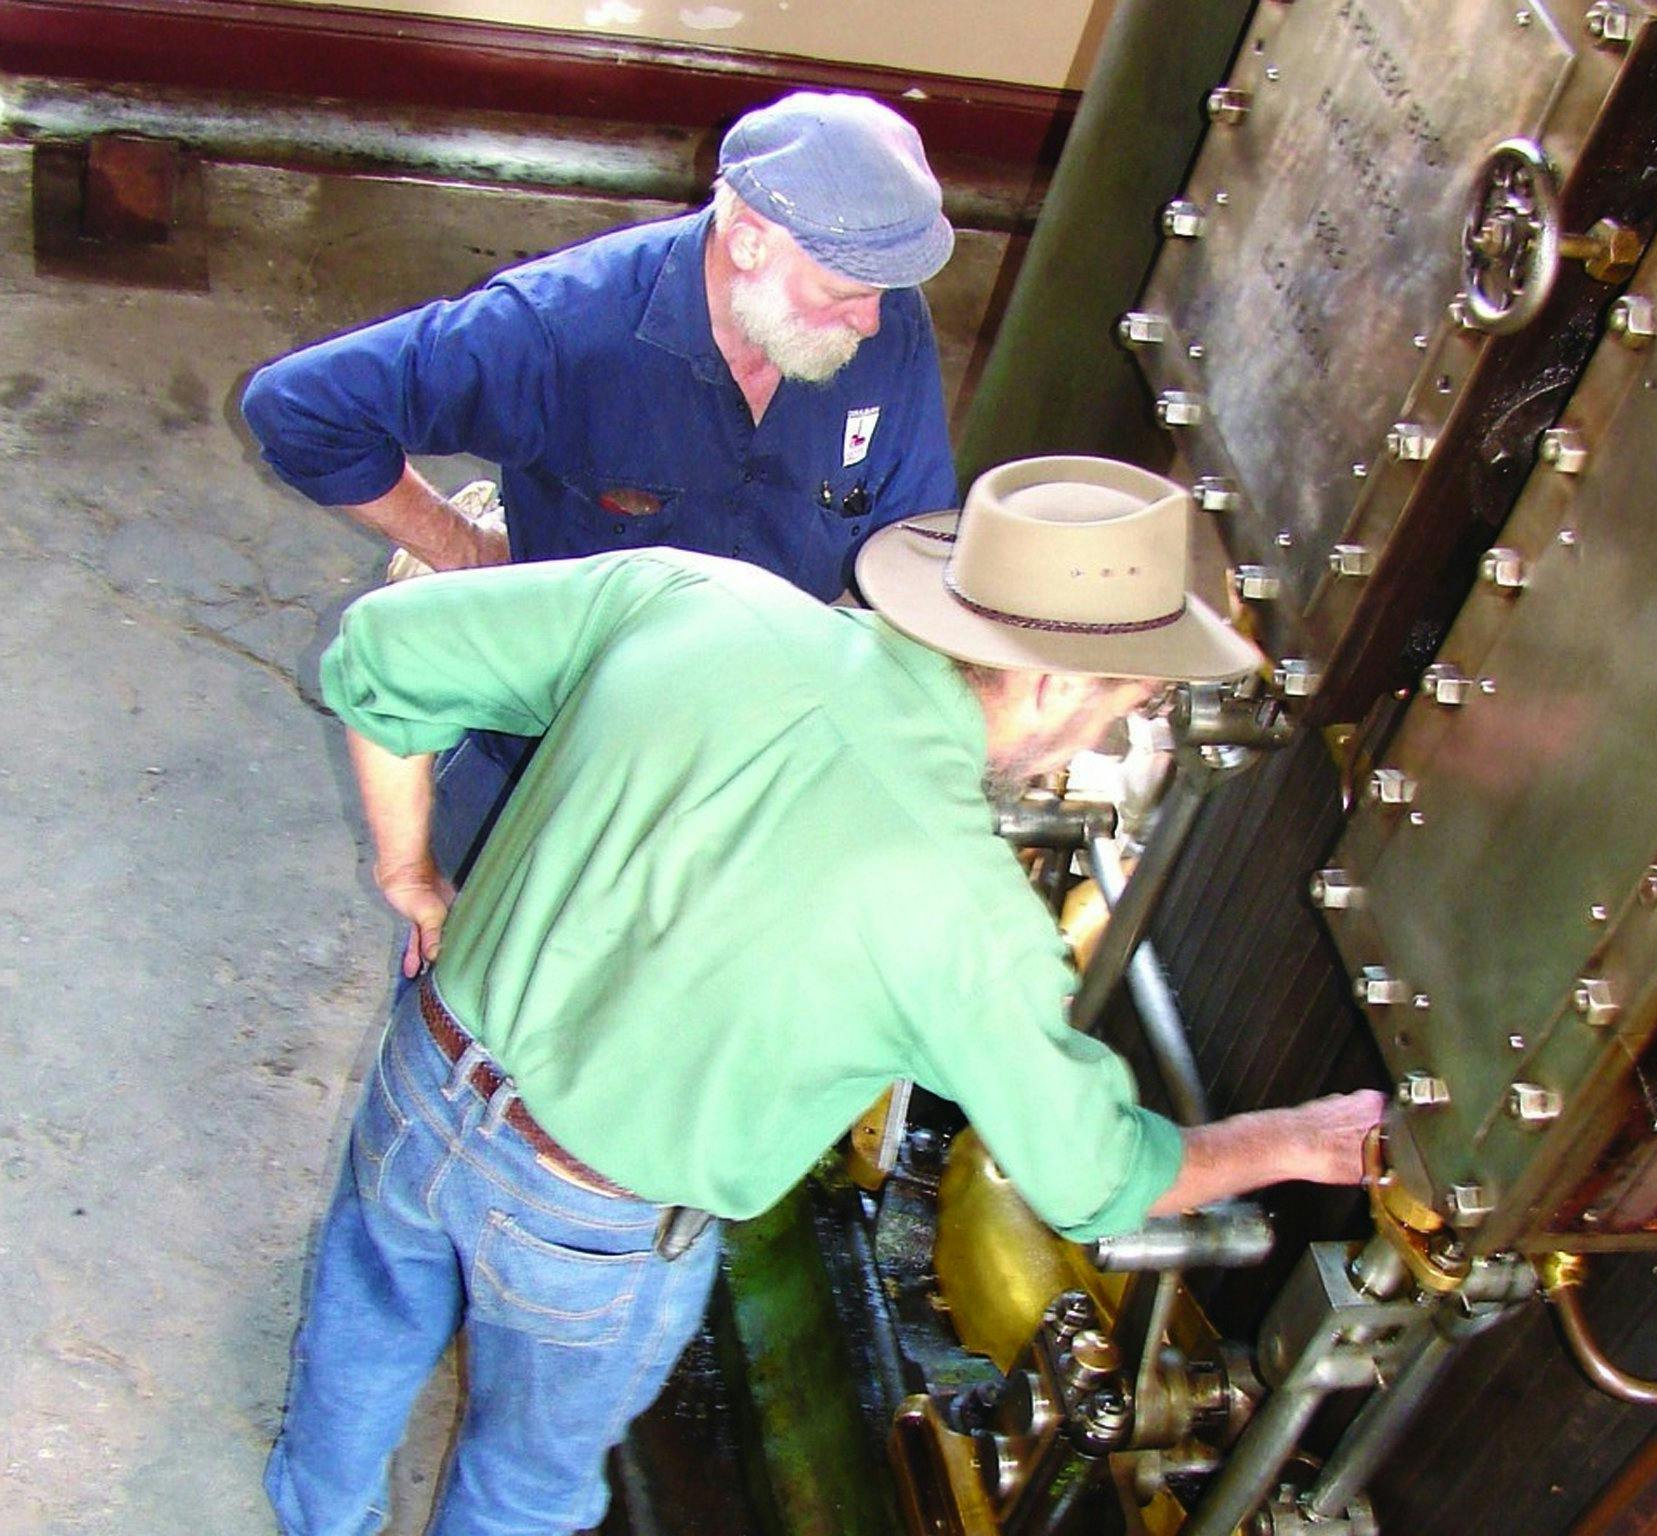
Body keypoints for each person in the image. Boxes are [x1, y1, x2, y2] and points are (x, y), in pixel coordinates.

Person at [270, 455, 1389, 1535]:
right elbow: (1096, 1179)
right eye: (1121, 708)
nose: (1100, 738)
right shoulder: (968, 918)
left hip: (427, 1073)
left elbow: (383, 652)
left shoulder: (697, 595)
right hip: (590, 1221)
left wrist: (411, 876)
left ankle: (314, 1518)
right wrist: (1296, 1139)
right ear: (1051, 684)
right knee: (525, 1486)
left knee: (365, 1321)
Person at [241, 88, 959, 880]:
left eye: (885, 293)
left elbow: (911, 541)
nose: (873, 322)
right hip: (557, 747)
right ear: (750, 242)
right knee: (465, 968)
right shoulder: (561, 331)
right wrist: (463, 547)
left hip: (755, 751)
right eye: (847, 294)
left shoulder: (889, 319)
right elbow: (300, 408)